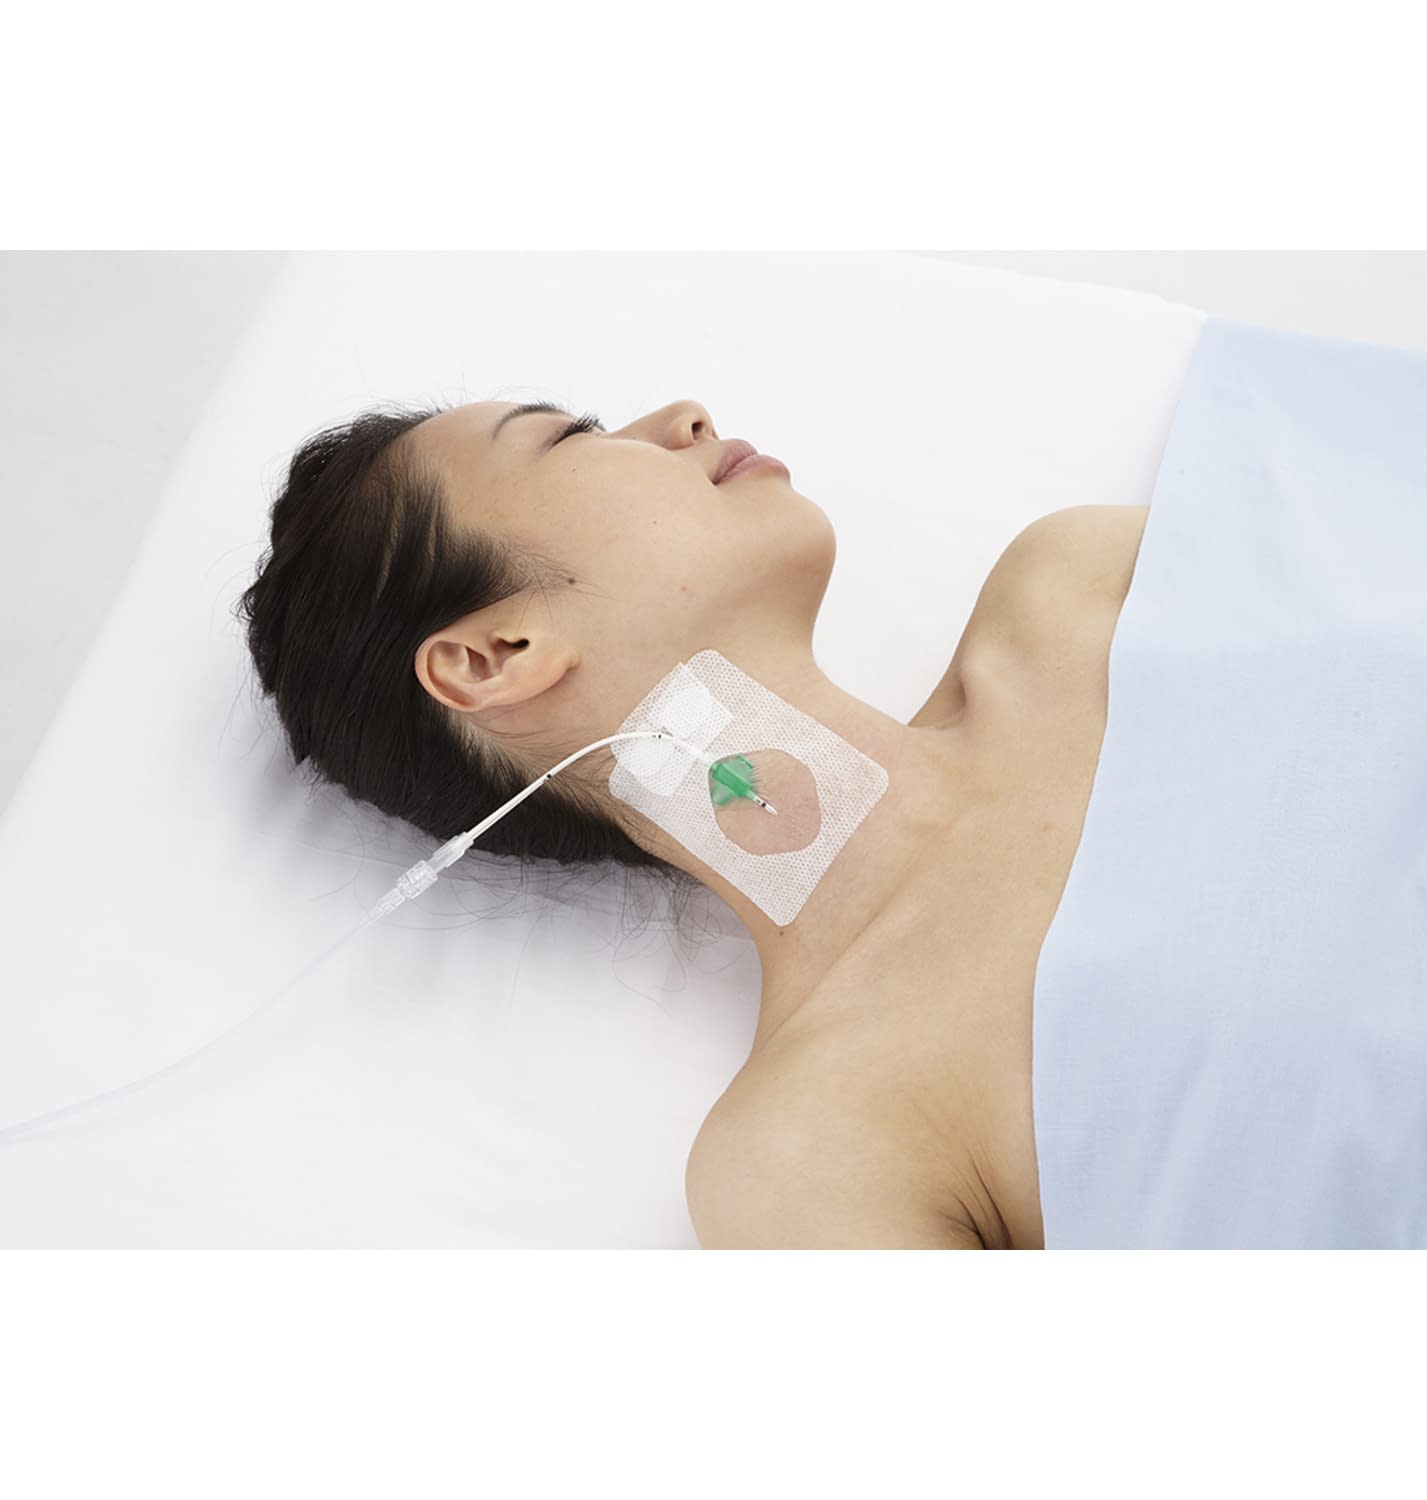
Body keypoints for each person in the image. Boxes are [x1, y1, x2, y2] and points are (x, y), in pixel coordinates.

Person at [237, 396, 1150, 1249]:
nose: (685, 416)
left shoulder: (1080, 586)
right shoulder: (813, 1156)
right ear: (493, 656)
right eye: (572, 435)